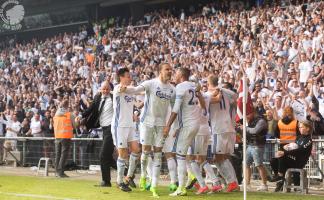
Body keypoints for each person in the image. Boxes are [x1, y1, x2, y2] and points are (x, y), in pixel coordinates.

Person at [120, 63, 175, 197]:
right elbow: (136, 90)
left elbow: (175, 110)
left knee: (157, 154)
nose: (170, 71)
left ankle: (154, 186)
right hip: (147, 122)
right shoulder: (151, 83)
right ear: (160, 71)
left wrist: (169, 125)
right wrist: (125, 89)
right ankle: (144, 175)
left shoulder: (172, 89)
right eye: (167, 69)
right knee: (145, 152)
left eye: (170, 70)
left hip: (161, 124)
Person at [164, 67, 206, 196]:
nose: (174, 75)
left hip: (188, 125)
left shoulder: (181, 87)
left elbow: (175, 110)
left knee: (180, 156)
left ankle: (181, 188)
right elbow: (203, 105)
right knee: (188, 157)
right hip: (195, 124)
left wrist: (167, 126)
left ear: (181, 75)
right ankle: (201, 185)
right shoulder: (193, 86)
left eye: (176, 73)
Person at [207, 75, 239, 192]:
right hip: (229, 127)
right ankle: (233, 183)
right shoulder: (227, 94)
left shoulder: (208, 94)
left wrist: (217, 88)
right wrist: (221, 88)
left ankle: (231, 182)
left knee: (219, 157)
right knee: (221, 157)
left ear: (208, 82)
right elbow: (236, 96)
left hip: (219, 128)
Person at [81, 81, 115, 187]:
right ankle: (127, 173)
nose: (105, 91)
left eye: (107, 89)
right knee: (108, 157)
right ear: (100, 89)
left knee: (103, 155)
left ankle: (106, 181)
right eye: (103, 88)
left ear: (110, 89)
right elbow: (90, 109)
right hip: (103, 129)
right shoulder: (97, 97)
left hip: (112, 129)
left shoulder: (115, 98)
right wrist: (80, 115)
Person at [112, 68, 140, 192]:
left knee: (136, 150)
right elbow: (123, 89)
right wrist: (137, 89)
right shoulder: (118, 88)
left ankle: (128, 177)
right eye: (128, 76)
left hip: (130, 125)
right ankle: (119, 181)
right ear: (121, 77)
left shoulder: (130, 92)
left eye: (130, 76)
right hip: (119, 126)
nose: (130, 78)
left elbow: (138, 105)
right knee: (123, 153)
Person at [270, 121, 313, 192]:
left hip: (299, 162)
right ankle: (279, 179)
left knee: (282, 156)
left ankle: (280, 176)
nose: (300, 128)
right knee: (273, 160)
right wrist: (285, 148)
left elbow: (299, 150)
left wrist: (284, 152)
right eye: (299, 127)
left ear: (308, 128)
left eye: (301, 127)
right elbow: (293, 147)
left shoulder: (308, 140)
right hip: (292, 159)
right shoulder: (298, 137)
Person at [239, 109, 268, 191]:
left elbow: (255, 131)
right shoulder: (250, 121)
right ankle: (247, 184)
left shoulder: (261, 121)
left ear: (253, 112)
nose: (246, 116)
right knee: (246, 163)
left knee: (259, 165)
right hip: (250, 145)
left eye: (247, 114)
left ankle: (264, 185)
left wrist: (245, 128)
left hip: (258, 146)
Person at [53, 99, 76, 178]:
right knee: (63, 155)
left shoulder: (56, 113)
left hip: (57, 136)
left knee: (58, 154)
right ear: (67, 105)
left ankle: (56, 172)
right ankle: (60, 172)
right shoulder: (70, 114)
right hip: (65, 137)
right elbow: (75, 125)